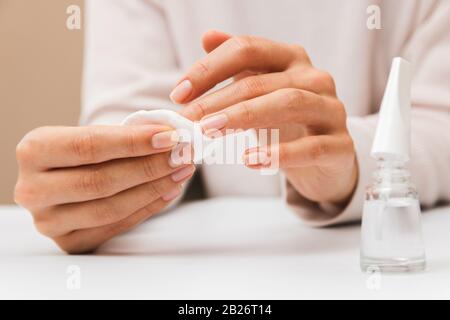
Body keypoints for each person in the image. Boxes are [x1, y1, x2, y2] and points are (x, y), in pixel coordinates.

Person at [14, 0, 450, 253]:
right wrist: (100, 182)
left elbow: (440, 120)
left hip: (375, 251)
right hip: (208, 264)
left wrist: (347, 159)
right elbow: (128, 111)